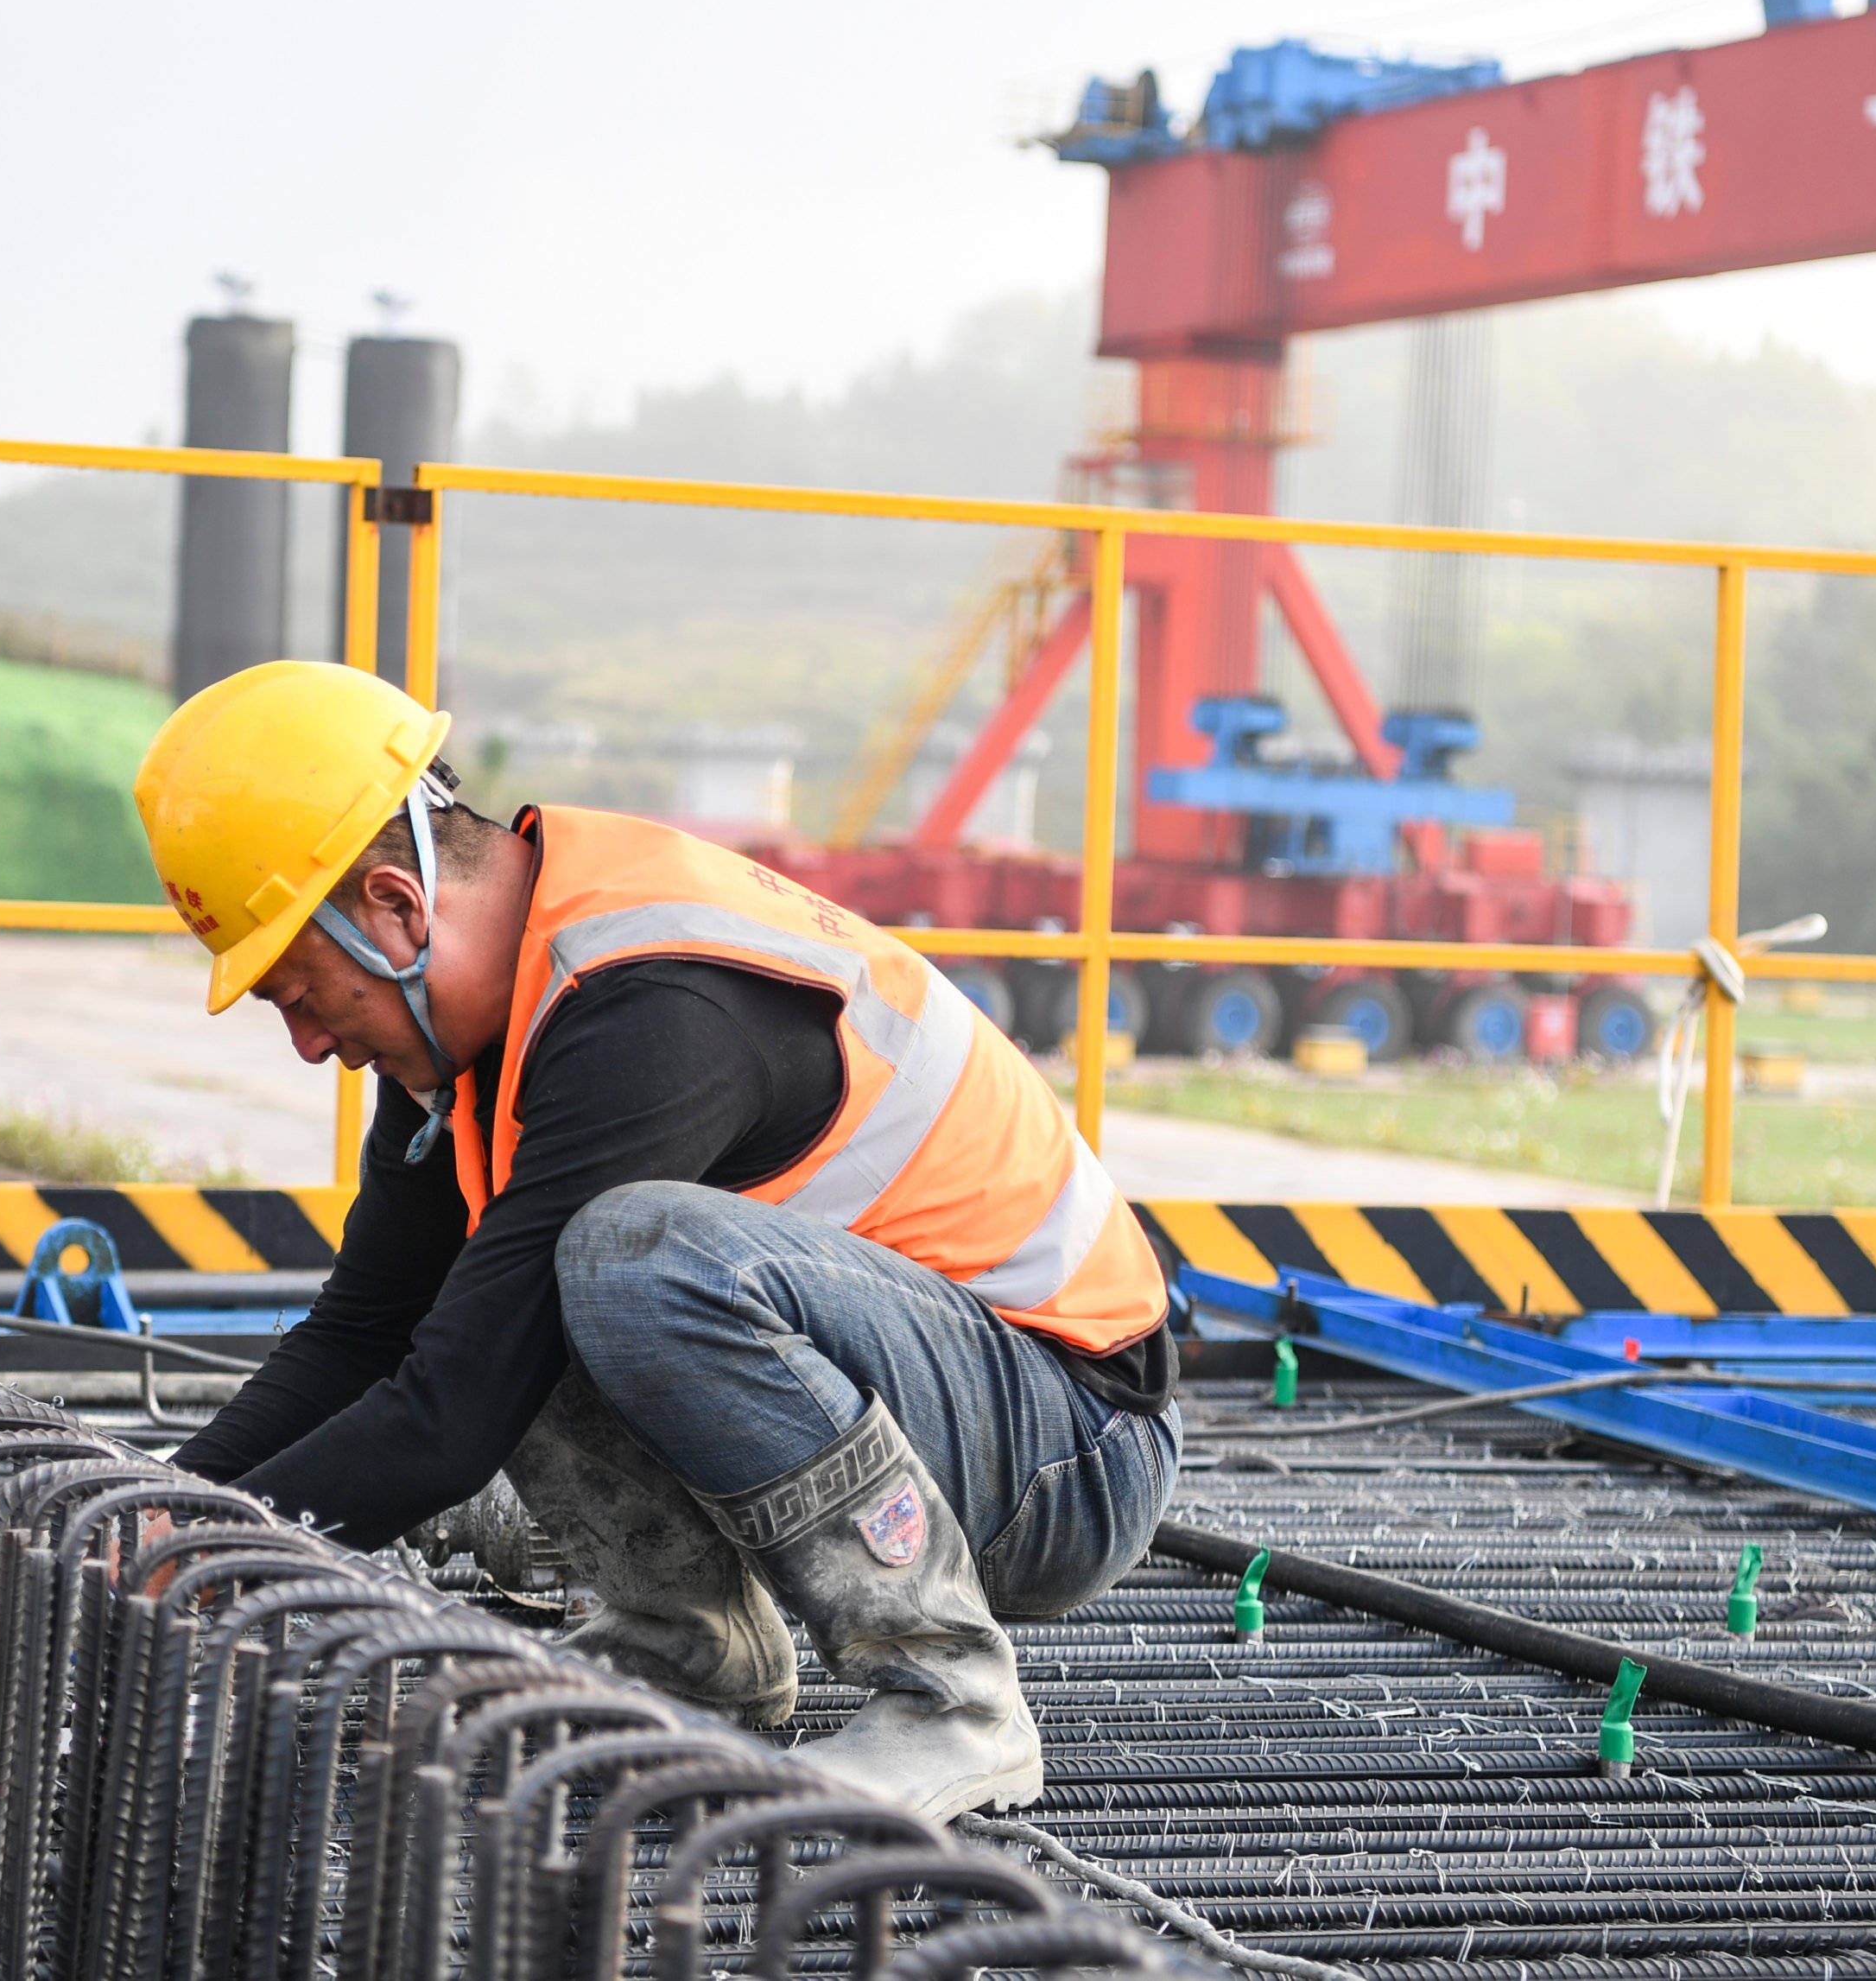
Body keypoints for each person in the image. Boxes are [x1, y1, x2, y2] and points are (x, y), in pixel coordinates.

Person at [137, 659, 1180, 1820]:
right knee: (519, 1271)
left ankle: (950, 1695)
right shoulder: (473, 1033)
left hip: (1068, 1443)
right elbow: (363, 1333)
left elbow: (451, 1413)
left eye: (298, 991)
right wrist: (157, 1505)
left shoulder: (646, 1007)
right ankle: (696, 1657)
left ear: (393, 908)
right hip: (955, 1398)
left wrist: (207, 1566)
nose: (307, 1044)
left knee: (623, 1252)